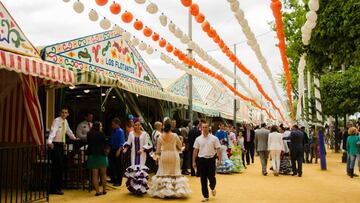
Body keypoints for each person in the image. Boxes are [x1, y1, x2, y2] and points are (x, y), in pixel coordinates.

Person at [148, 119, 192, 198]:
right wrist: (181, 140)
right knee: (174, 173)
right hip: (173, 155)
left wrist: (155, 156)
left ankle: (164, 192)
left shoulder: (160, 136)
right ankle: (174, 192)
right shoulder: (175, 135)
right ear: (171, 127)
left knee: (164, 173)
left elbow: (158, 151)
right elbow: (180, 146)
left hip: (164, 155)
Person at [47, 106, 79, 195]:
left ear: (68, 114)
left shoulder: (65, 121)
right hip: (55, 145)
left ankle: (57, 187)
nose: (64, 114)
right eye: (63, 112)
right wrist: (49, 141)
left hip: (61, 145)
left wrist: (74, 138)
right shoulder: (57, 120)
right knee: (57, 167)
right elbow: (53, 131)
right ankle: (54, 188)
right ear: (60, 113)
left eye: (66, 112)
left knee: (60, 167)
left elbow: (68, 131)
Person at [193, 122, 221, 202]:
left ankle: (212, 187)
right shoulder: (198, 139)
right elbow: (195, 151)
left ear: (209, 128)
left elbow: (218, 149)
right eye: (203, 127)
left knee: (212, 177)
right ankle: (205, 196)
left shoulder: (214, 138)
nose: (205, 129)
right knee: (203, 179)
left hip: (211, 159)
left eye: (206, 127)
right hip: (201, 160)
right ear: (201, 128)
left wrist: (219, 159)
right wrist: (194, 162)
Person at [123, 119, 153, 195]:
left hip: (142, 155)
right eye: (136, 125)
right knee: (134, 169)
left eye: (139, 125)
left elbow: (147, 144)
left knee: (141, 169)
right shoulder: (131, 134)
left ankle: (141, 188)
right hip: (133, 154)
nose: (138, 126)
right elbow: (129, 143)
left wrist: (142, 149)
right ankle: (135, 188)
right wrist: (125, 149)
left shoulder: (145, 134)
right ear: (134, 126)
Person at [86, 121, 108, 196]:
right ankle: (104, 190)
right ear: (98, 126)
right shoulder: (101, 134)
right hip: (101, 155)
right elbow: (105, 143)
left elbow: (88, 142)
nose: (101, 127)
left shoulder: (89, 134)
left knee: (95, 175)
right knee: (103, 174)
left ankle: (97, 191)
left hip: (92, 155)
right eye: (100, 126)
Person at [108, 118, 125, 186]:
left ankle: (119, 181)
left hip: (118, 149)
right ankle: (113, 179)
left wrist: (119, 150)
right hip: (112, 149)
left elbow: (122, 142)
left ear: (117, 124)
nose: (112, 125)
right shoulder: (113, 131)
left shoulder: (120, 131)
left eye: (113, 124)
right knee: (112, 165)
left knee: (118, 166)